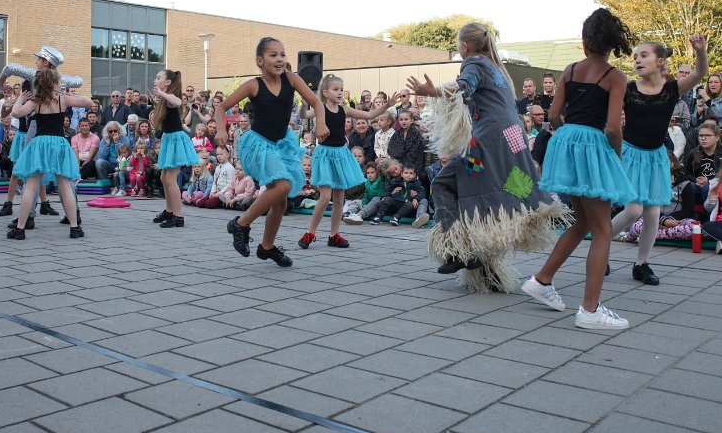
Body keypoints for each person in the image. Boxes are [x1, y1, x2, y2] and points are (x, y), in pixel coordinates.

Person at [407, 23, 570, 291]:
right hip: (512, 139)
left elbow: (463, 87)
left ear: (464, 46)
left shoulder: (472, 63)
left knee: (444, 183)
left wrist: (432, 92)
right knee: (493, 192)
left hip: (489, 141)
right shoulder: (496, 68)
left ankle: (459, 249)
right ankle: (487, 273)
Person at [521, 8, 636, 330]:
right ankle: (589, 310)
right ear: (612, 42)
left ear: (586, 39)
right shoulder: (615, 76)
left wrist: (567, 132)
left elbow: (554, 113)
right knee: (602, 230)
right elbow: (613, 127)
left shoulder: (570, 70)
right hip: (592, 145)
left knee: (582, 221)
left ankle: (542, 280)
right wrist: (614, 155)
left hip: (566, 142)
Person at [215, 37, 326, 267]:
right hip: (259, 144)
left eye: (283, 55)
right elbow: (221, 107)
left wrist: (321, 124)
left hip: (282, 144)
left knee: (282, 201)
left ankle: (266, 248)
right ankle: (241, 224)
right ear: (260, 61)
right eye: (273, 55)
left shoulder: (292, 79)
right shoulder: (254, 85)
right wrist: (220, 130)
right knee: (283, 185)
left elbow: (316, 101)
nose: (280, 59)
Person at [608, 35, 709, 286]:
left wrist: (700, 51)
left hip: (655, 156)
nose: (637, 60)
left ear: (660, 61)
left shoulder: (672, 89)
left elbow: (700, 72)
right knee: (632, 210)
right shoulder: (629, 89)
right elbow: (610, 117)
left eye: (644, 55)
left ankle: (641, 264)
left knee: (653, 214)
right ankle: (600, 248)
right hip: (631, 154)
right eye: (635, 57)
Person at [298, 76, 397, 249]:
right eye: (335, 89)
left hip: (341, 154)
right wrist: (303, 103)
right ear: (325, 92)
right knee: (325, 197)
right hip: (325, 155)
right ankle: (310, 232)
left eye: (341, 89)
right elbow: (304, 115)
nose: (339, 92)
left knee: (339, 198)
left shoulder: (344, 109)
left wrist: (388, 105)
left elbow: (369, 114)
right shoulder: (320, 108)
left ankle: (334, 235)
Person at [7, 68, 92, 240]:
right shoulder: (63, 99)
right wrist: (65, 94)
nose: (62, 84)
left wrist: (21, 99)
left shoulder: (36, 102)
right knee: (65, 184)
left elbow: (16, 112)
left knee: (31, 185)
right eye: (60, 82)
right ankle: (75, 228)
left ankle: (20, 228)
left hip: (39, 143)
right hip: (59, 143)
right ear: (54, 85)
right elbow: (88, 102)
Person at [150, 69, 199, 228]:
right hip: (169, 139)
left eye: (158, 78)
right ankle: (169, 211)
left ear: (168, 82)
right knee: (165, 178)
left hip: (176, 140)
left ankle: (178, 216)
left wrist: (162, 95)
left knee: (170, 179)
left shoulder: (171, 97)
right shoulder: (165, 100)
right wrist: (157, 101)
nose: (155, 81)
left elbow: (177, 102)